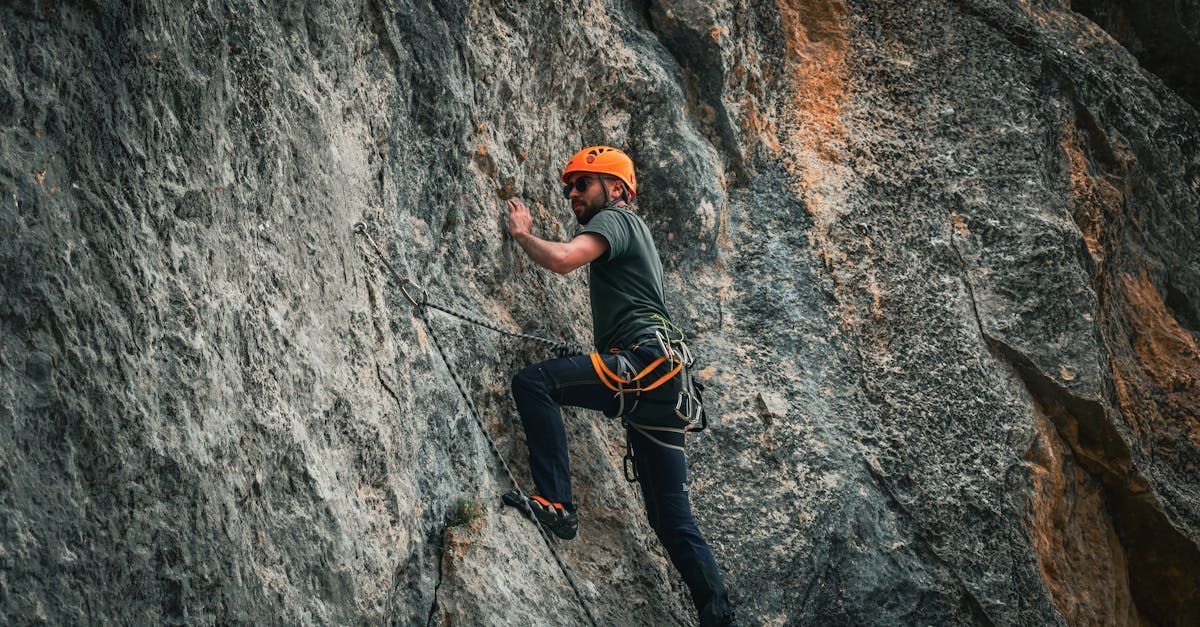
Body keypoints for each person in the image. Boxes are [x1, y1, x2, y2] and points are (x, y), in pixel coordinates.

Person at [503, 146, 734, 626]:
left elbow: (566, 259)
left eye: (582, 184)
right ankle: (720, 617)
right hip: (665, 386)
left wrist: (523, 235)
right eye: (569, 187)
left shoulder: (618, 221)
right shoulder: (637, 234)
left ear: (616, 189)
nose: (572, 194)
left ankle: (556, 502)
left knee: (534, 383)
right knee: (672, 522)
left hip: (644, 363)